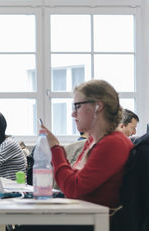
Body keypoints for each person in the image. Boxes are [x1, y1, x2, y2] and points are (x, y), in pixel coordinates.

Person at [41, 79, 133, 208]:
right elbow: (72, 185)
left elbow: (72, 189)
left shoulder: (113, 143)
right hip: (80, 214)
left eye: (78, 106)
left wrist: (55, 148)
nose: (73, 113)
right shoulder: (93, 140)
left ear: (98, 106)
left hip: (93, 222)